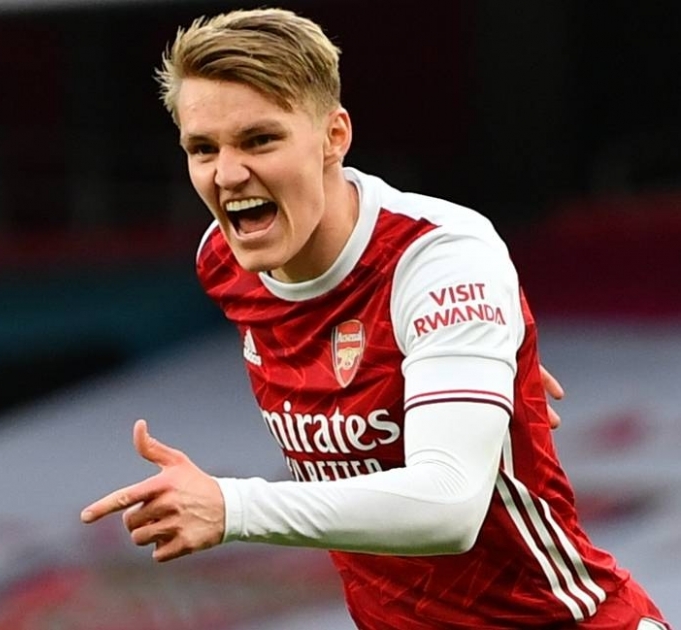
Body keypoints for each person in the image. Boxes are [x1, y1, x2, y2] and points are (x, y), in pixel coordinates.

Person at [81, 7, 670, 629]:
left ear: (334, 137)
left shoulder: (437, 257)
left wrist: (234, 506)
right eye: (203, 148)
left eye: (260, 140)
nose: (227, 174)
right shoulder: (225, 260)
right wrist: (483, 369)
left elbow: (449, 504)